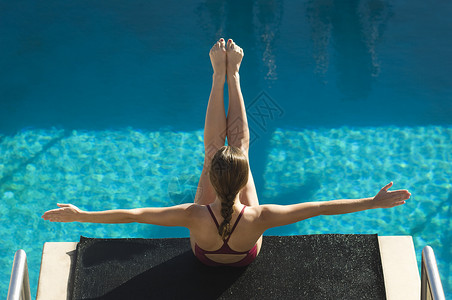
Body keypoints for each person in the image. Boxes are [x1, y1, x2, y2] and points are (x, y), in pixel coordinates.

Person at [42, 39, 411, 267]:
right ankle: (231, 76)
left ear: (214, 182)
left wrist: (81, 215)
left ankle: (222, 77)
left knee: (217, 150)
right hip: (244, 252)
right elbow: (322, 208)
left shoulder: (193, 215)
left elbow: (133, 215)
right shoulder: (260, 216)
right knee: (235, 148)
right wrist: (373, 203)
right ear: (240, 179)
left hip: (203, 254)